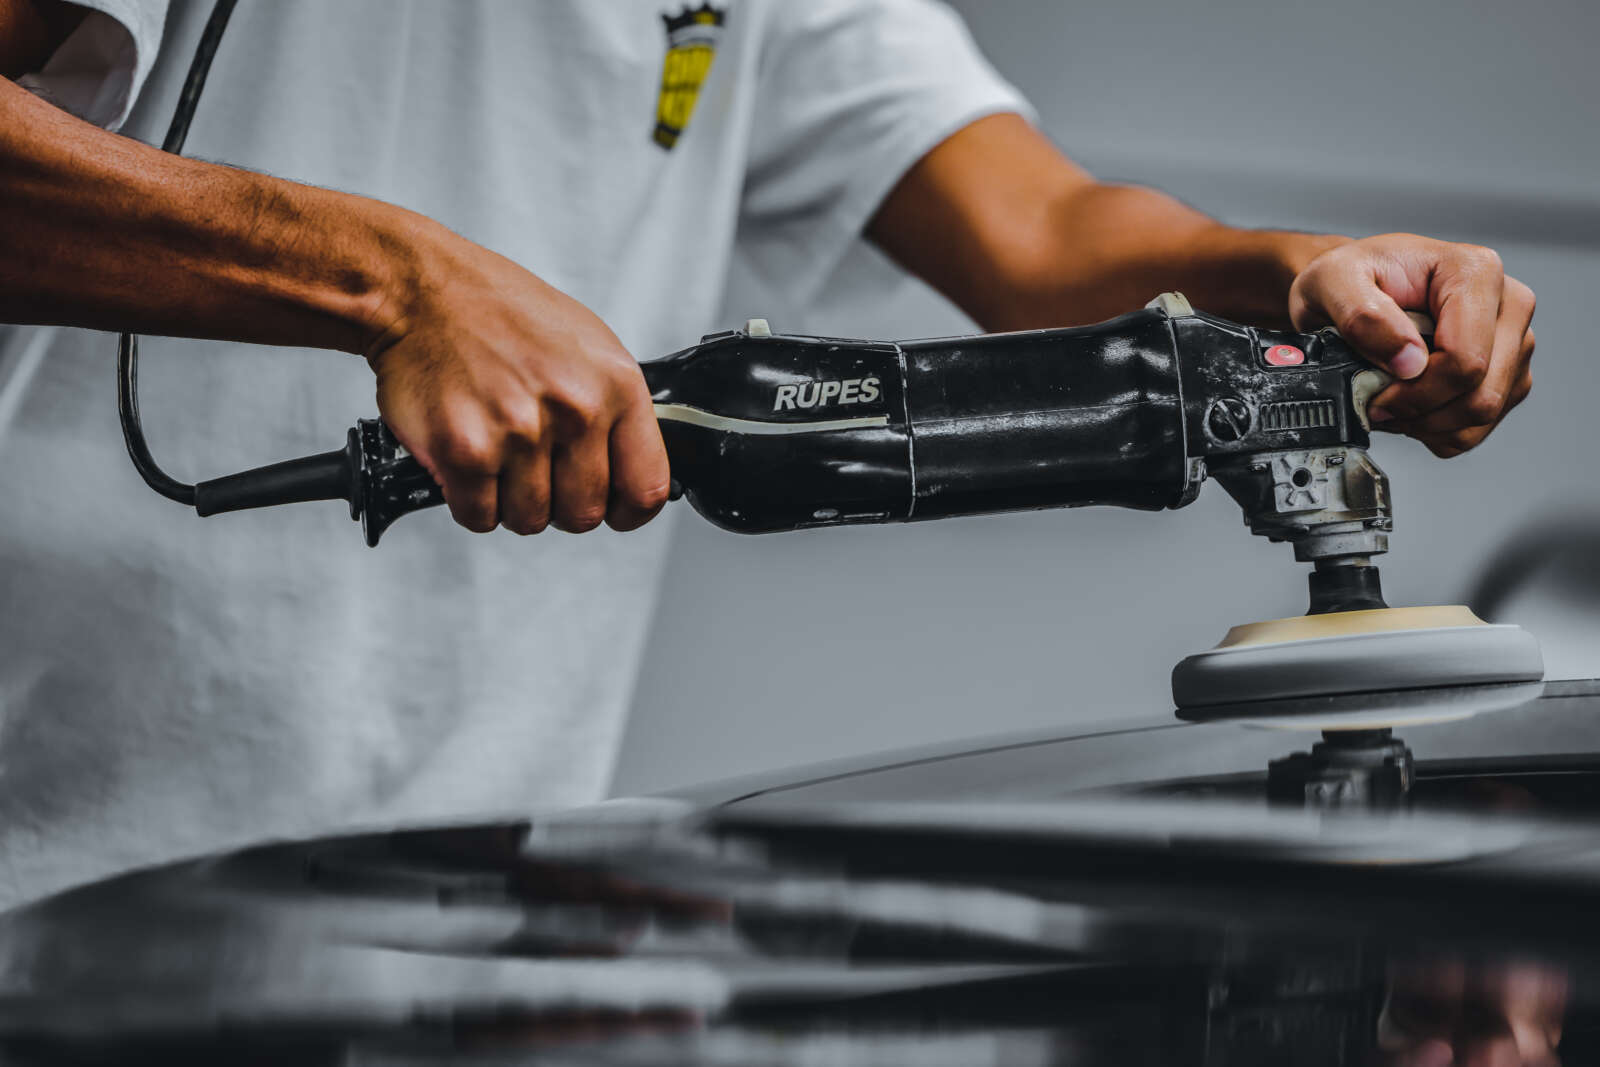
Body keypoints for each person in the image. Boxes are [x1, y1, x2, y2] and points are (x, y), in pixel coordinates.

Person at [0, 0, 1535, 909]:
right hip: (49, 902)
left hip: (465, 919)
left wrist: (1311, 274)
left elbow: (1041, 234)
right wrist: (388, 283)